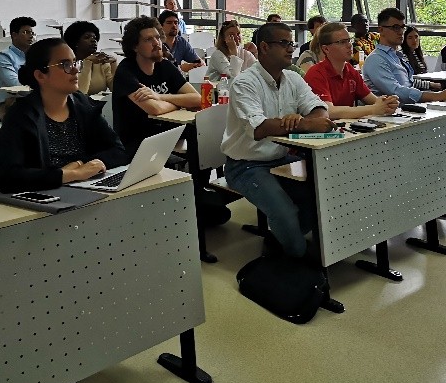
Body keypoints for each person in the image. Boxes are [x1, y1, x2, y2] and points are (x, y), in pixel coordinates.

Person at [222, 22, 334, 258]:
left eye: (291, 43)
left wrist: (306, 120)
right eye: (284, 43)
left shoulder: (292, 78)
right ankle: (297, 262)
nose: (291, 48)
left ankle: (281, 242)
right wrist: (303, 123)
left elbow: (320, 111)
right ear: (264, 47)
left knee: (320, 196)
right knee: (285, 212)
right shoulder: (244, 83)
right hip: (246, 165)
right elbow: (260, 128)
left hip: (281, 160)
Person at [0, 38, 129, 193]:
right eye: (65, 65)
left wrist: (79, 164)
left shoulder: (82, 104)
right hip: (44, 195)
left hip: (82, 188)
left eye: (75, 63)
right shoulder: (20, 116)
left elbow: (118, 151)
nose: (75, 70)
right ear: (40, 75)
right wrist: (71, 174)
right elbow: (8, 179)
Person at [112, 16, 200, 157]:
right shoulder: (126, 71)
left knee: (201, 130)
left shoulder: (165, 66)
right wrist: (180, 104)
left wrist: (159, 96)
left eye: (158, 37)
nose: (156, 43)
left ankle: (200, 173)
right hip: (137, 140)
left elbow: (197, 99)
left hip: (164, 131)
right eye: (148, 40)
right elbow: (155, 109)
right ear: (135, 46)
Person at [362, 8, 446, 104]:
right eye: (396, 27)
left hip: (408, 107)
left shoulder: (397, 56)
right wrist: (437, 96)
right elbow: (396, 92)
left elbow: (409, 83)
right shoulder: (376, 59)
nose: (401, 32)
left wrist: (434, 90)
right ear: (381, 30)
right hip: (392, 110)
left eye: (402, 27)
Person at [304, 22, 399, 120]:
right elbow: (328, 111)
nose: (349, 45)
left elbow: (372, 99)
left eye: (349, 40)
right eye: (342, 42)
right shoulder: (316, 73)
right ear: (326, 49)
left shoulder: (350, 70)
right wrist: (373, 109)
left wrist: (387, 104)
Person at [0, 16, 35, 118]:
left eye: (32, 33)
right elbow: (16, 85)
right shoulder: (4, 57)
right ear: (14, 35)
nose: (31, 36)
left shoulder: (35, 55)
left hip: (34, 101)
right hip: (11, 106)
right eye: (26, 32)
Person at [63, 20, 117, 95]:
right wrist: (87, 61)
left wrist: (114, 64)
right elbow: (80, 93)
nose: (93, 40)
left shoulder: (101, 63)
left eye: (95, 38)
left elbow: (116, 89)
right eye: (87, 37)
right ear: (75, 42)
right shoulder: (68, 65)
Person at [403, 26, 443, 91]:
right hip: (415, 90)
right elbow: (408, 81)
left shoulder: (417, 55)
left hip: (425, 87)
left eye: (416, 37)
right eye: (410, 38)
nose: (414, 40)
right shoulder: (402, 56)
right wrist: (431, 84)